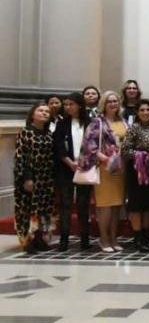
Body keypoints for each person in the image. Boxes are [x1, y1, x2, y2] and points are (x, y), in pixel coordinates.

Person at [78, 91, 127, 252]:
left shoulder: (124, 122)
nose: (113, 104)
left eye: (115, 101)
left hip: (120, 169)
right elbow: (89, 145)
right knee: (105, 206)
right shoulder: (97, 122)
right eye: (109, 101)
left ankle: (114, 238)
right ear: (104, 104)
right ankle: (104, 239)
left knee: (116, 206)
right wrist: (106, 159)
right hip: (105, 169)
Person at [14, 103, 55, 252]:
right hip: (31, 176)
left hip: (46, 179)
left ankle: (40, 239)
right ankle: (28, 240)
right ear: (33, 114)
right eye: (41, 110)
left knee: (43, 210)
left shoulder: (49, 133)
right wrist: (27, 178)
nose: (44, 113)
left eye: (47, 111)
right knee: (29, 209)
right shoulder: (25, 132)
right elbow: (21, 157)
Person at [53, 93, 91, 250]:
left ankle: (85, 238)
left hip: (85, 167)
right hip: (66, 168)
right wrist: (69, 162)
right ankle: (64, 238)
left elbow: (94, 142)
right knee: (66, 204)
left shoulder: (89, 122)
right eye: (66, 105)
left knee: (83, 203)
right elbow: (58, 145)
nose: (67, 107)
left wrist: (84, 162)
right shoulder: (62, 123)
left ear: (79, 105)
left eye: (71, 104)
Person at [122, 100, 149, 252]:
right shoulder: (133, 129)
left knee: (148, 205)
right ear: (138, 112)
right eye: (142, 110)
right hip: (136, 172)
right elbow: (125, 151)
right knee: (137, 205)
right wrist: (144, 155)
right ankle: (137, 237)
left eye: (147, 110)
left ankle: (146, 235)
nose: (145, 112)